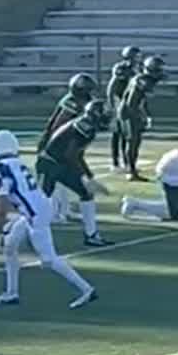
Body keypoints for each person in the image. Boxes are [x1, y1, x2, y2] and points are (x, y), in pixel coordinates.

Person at [0, 130, 96, 310]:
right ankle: (11, 292)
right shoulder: (18, 164)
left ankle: (87, 289)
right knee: (10, 246)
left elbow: (3, 202)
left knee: (49, 259)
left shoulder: (1, 168)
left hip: (35, 215)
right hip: (40, 208)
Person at [36, 97, 109, 246]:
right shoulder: (85, 126)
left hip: (60, 164)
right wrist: (85, 177)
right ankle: (13, 231)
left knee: (86, 194)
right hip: (49, 164)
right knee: (40, 203)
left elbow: (77, 155)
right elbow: (71, 155)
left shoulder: (86, 124)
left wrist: (90, 177)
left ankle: (92, 235)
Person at [120, 56, 166, 181]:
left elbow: (142, 100)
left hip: (133, 111)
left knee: (136, 142)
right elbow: (131, 102)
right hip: (129, 112)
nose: (161, 72)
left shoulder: (146, 79)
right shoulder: (142, 80)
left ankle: (131, 168)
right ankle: (131, 171)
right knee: (133, 141)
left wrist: (147, 115)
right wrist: (139, 116)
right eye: (159, 69)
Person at [37, 72, 96, 154]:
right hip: (59, 137)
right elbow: (58, 124)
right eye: (86, 91)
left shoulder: (85, 100)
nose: (88, 95)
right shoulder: (71, 102)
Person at [107, 48, 141, 170]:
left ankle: (127, 163)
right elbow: (112, 86)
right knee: (118, 132)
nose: (138, 58)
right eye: (136, 56)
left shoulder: (138, 69)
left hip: (129, 103)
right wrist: (112, 104)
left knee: (128, 133)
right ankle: (115, 162)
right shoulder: (121, 68)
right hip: (119, 101)